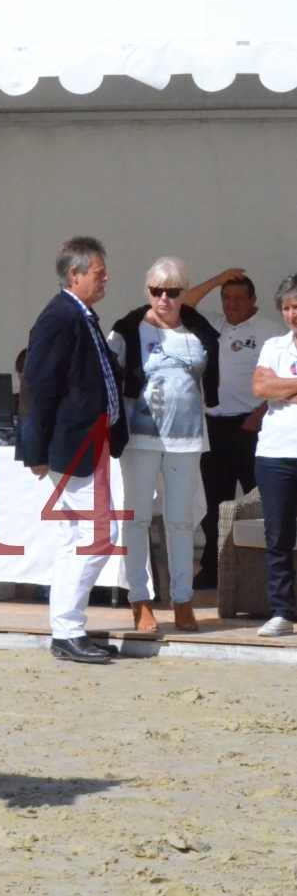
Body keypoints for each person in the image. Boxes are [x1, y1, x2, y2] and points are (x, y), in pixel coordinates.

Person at [17, 236, 129, 664]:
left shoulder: (79, 315)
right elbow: (37, 385)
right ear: (75, 275)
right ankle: (67, 629)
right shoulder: (60, 317)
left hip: (90, 442)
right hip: (73, 445)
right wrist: (34, 449)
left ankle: (67, 628)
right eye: (99, 273)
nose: (105, 279)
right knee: (100, 535)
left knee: (74, 538)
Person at [106, 257, 219, 634]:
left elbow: (210, 375)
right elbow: (106, 377)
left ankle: (182, 599)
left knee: (181, 521)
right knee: (136, 519)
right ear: (147, 292)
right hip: (139, 438)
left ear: (184, 294)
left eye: (172, 291)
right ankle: (139, 600)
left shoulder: (199, 331)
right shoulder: (126, 330)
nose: (164, 298)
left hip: (187, 439)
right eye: (157, 291)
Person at [181, 270, 283, 588]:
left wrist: (260, 412)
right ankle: (214, 568)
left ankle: (265, 572)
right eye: (227, 298)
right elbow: (182, 305)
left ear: (253, 300)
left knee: (259, 502)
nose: (232, 304)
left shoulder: (269, 330)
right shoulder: (214, 324)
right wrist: (217, 279)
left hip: (253, 425)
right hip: (215, 425)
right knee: (215, 503)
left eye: (239, 298)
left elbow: (281, 381)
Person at [250, 274, 297, 637]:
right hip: (276, 453)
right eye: (286, 307)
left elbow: (273, 387)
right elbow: (261, 387)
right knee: (278, 535)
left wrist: (283, 388)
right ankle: (283, 610)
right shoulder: (274, 346)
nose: (292, 314)